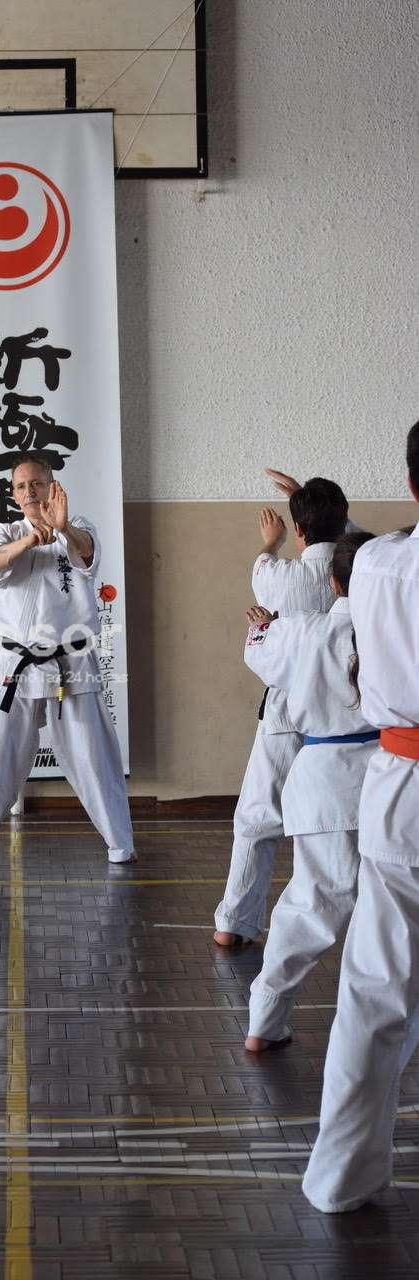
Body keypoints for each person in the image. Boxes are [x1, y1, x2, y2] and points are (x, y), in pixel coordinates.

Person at [303, 422, 419, 1213]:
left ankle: (339, 1176)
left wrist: (310, 508)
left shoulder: (376, 564)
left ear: (409, 482)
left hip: (398, 787)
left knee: (376, 991)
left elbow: (347, 540)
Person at [0, 454, 134, 868]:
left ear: (52, 486)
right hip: (16, 662)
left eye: (37, 483)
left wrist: (62, 529)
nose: (29, 491)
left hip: (72, 660)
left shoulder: (77, 527)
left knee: (93, 754)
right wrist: (30, 541)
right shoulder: (7, 532)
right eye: (21, 486)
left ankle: (121, 842)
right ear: (14, 494)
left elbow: (87, 553)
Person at [239, 530, 376, 1051]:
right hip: (386, 776)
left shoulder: (301, 630)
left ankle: (265, 1018)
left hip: (322, 777)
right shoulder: (395, 630)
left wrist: (262, 630)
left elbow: (261, 657)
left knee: (315, 904)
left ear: (334, 582)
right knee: (389, 907)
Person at [213, 472, 351, 947]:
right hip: (347, 713)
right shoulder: (359, 566)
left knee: (259, 815)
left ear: (298, 529)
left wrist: (271, 540)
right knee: (346, 824)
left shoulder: (278, 576)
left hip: (287, 709)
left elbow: (264, 563)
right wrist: (306, 503)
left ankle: (235, 921)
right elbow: (353, 537)